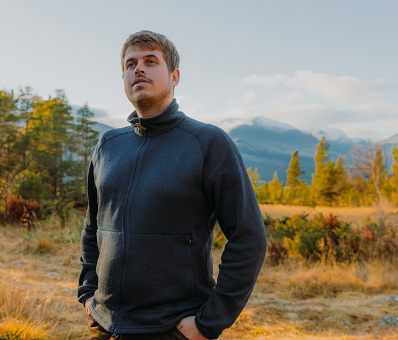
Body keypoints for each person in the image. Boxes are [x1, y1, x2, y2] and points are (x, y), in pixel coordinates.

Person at [78, 30, 267, 340]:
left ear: (175, 76)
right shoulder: (108, 145)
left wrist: (209, 321)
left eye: (150, 61)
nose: (138, 69)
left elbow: (249, 237)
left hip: (172, 329)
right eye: (130, 64)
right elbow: (92, 228)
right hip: (105, 325)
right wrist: (88, 292)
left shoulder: (207, 143)